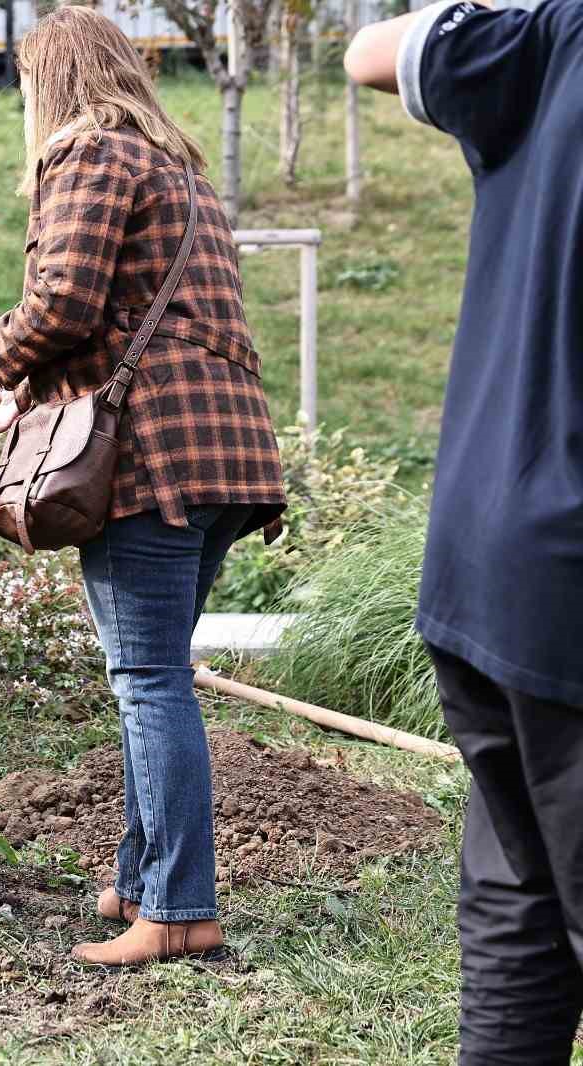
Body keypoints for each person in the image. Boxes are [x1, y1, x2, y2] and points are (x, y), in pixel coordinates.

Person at [0, 7, 285, 966]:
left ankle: (181, 911)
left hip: (154, 458)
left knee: (148, 680)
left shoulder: (88, 152)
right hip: (225, 451)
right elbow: (137, 311)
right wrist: (24, 391)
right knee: (154, 673)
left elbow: (62, 303)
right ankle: (141, 881)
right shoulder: (179, 170)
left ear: (49, 80)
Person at [347, 5, 583, 1062]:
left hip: (482, 569)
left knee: (516, 915)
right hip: (569, 599)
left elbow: (367, 49)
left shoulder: (544, 37)